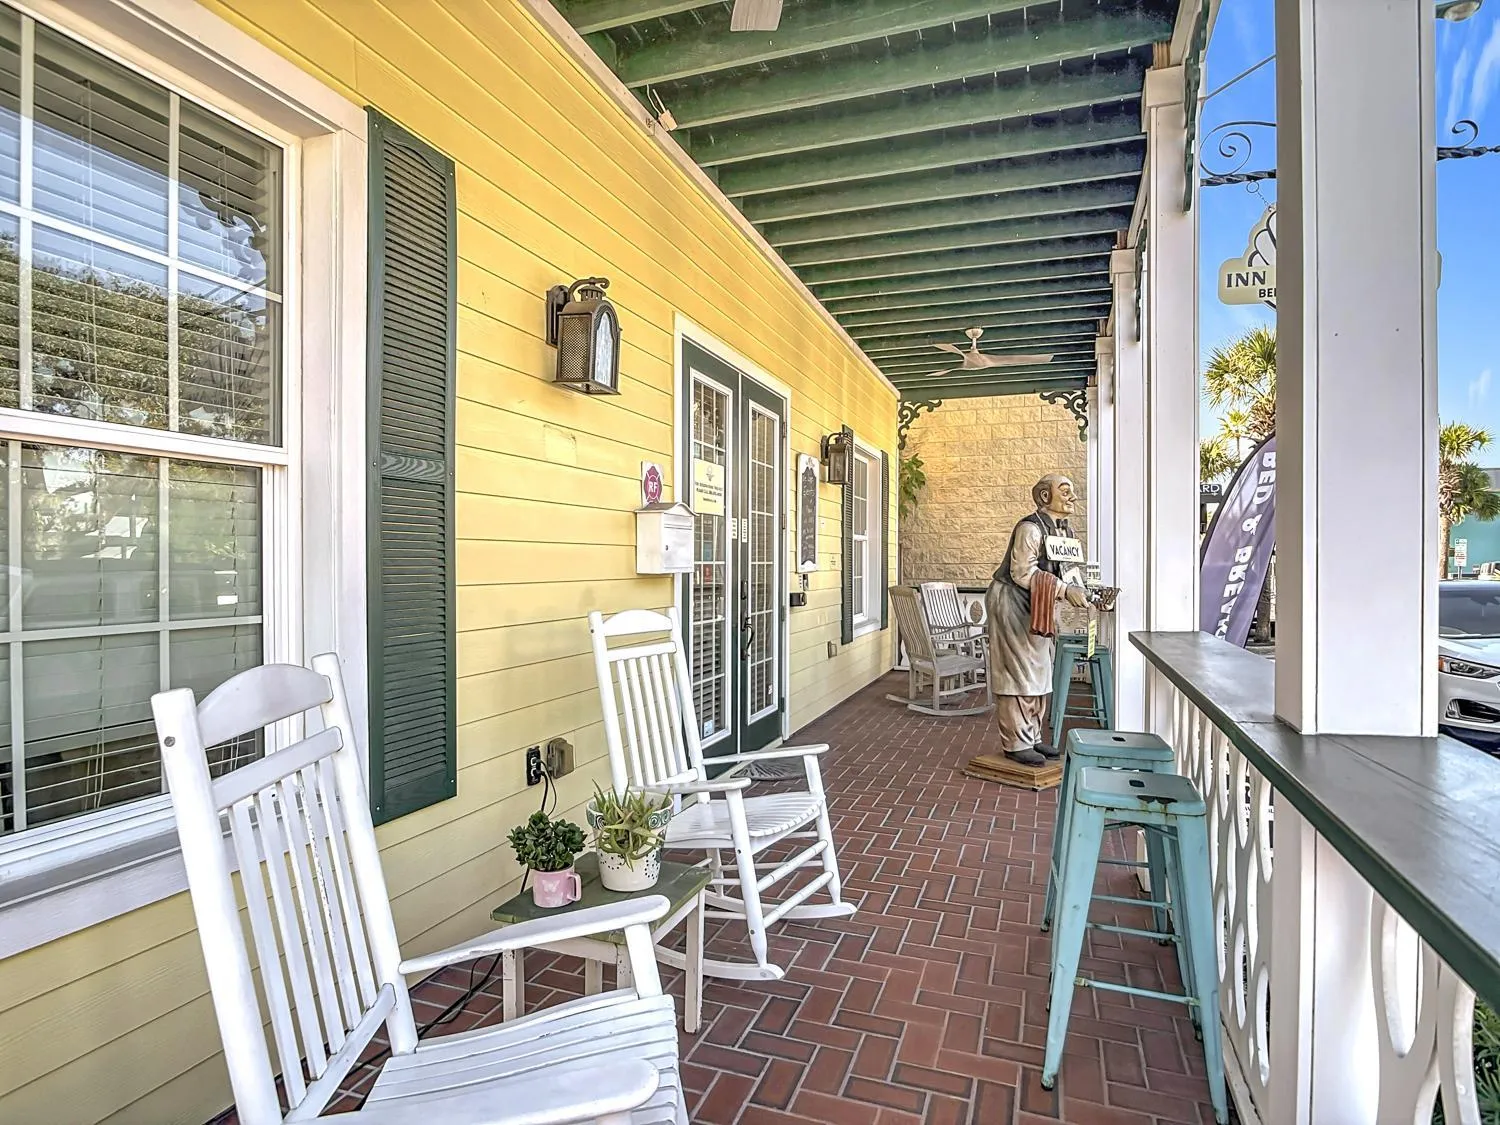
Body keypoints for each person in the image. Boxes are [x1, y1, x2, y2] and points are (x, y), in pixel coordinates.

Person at [986, 474, 1090, 765]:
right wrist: (1064, 590)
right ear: (1045, 497)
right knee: (1019, 672)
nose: (1072, 497)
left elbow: (1067, 570)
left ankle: (1031, 736)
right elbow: (1022, 573)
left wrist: (1083, 590)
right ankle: (1015, 741)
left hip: (1037, 605)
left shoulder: (1064, 532)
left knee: (1040, 671)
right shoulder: (1030, 529)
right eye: (1065, 491)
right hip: (1012, 602)